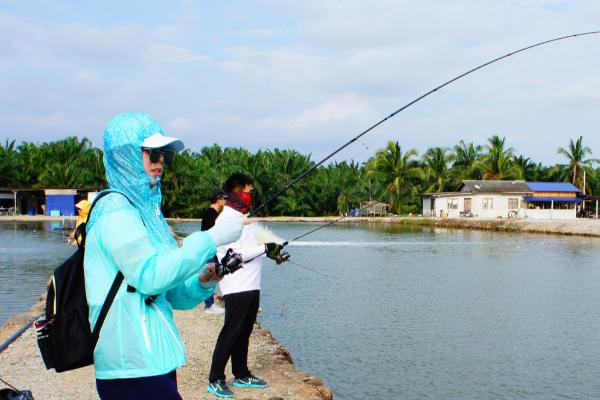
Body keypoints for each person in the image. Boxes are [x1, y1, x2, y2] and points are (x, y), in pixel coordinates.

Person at [84, 112, 243, 400]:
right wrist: (211, 238)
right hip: (129, 365)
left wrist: (203, 282)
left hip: (153, 360)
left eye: (164, 156)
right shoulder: (116, 212)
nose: (160, 163)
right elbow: (150, 275)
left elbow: (172, 295)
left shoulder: (145, 213)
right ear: (126, 156)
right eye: (153, 154)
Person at [207, 173, 285, 398]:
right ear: (235, 193)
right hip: (237, 285)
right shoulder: (227, 220)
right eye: (249, 192)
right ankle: (215, 378)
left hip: (252, 284)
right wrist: (264, 248)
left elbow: (253, 247)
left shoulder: (244, 218)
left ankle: (241, 373)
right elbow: (236, 254)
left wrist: (273, 254)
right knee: (231, 332)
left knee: (245, 331)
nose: (251, 196)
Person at [202, 189, 228, 314]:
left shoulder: (214, 213)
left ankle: (210, 303)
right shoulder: (211, 213)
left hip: (212, 249)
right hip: (209, 250)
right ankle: (209, 305)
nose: (226, 200)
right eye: (224, 198)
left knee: (215, 274)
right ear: (218, 199)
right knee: (211, 275)